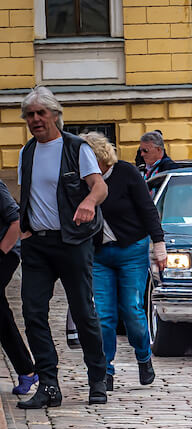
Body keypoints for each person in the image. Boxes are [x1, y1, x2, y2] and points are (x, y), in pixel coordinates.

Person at [15, 86, 109, 409]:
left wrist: (88, 202)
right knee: (32, 312)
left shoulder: (76, 148)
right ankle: (49, 385)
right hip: (37, 246)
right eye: (30, 115)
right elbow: (25, 195)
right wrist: (24, 230)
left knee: (83, 312)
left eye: (41, 113)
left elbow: (100, 186)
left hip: (73, 242)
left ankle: (98, 378)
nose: (36, 119)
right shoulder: (26, 153)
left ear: (56, 114)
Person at [82, 131, 166, 391]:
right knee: (104, 315)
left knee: (131, 309)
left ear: (99, 158)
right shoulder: (80, 181)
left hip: (131, 249)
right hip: (99, 255)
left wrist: (159, 244)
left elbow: (147, 209)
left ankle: (144, 356)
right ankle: (104, 371)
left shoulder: (126, 173)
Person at [0, 179, 36, 395]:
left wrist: (1, 252)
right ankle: (27, 371)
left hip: (6, 253)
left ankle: (27, 371)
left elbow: (16, 222)